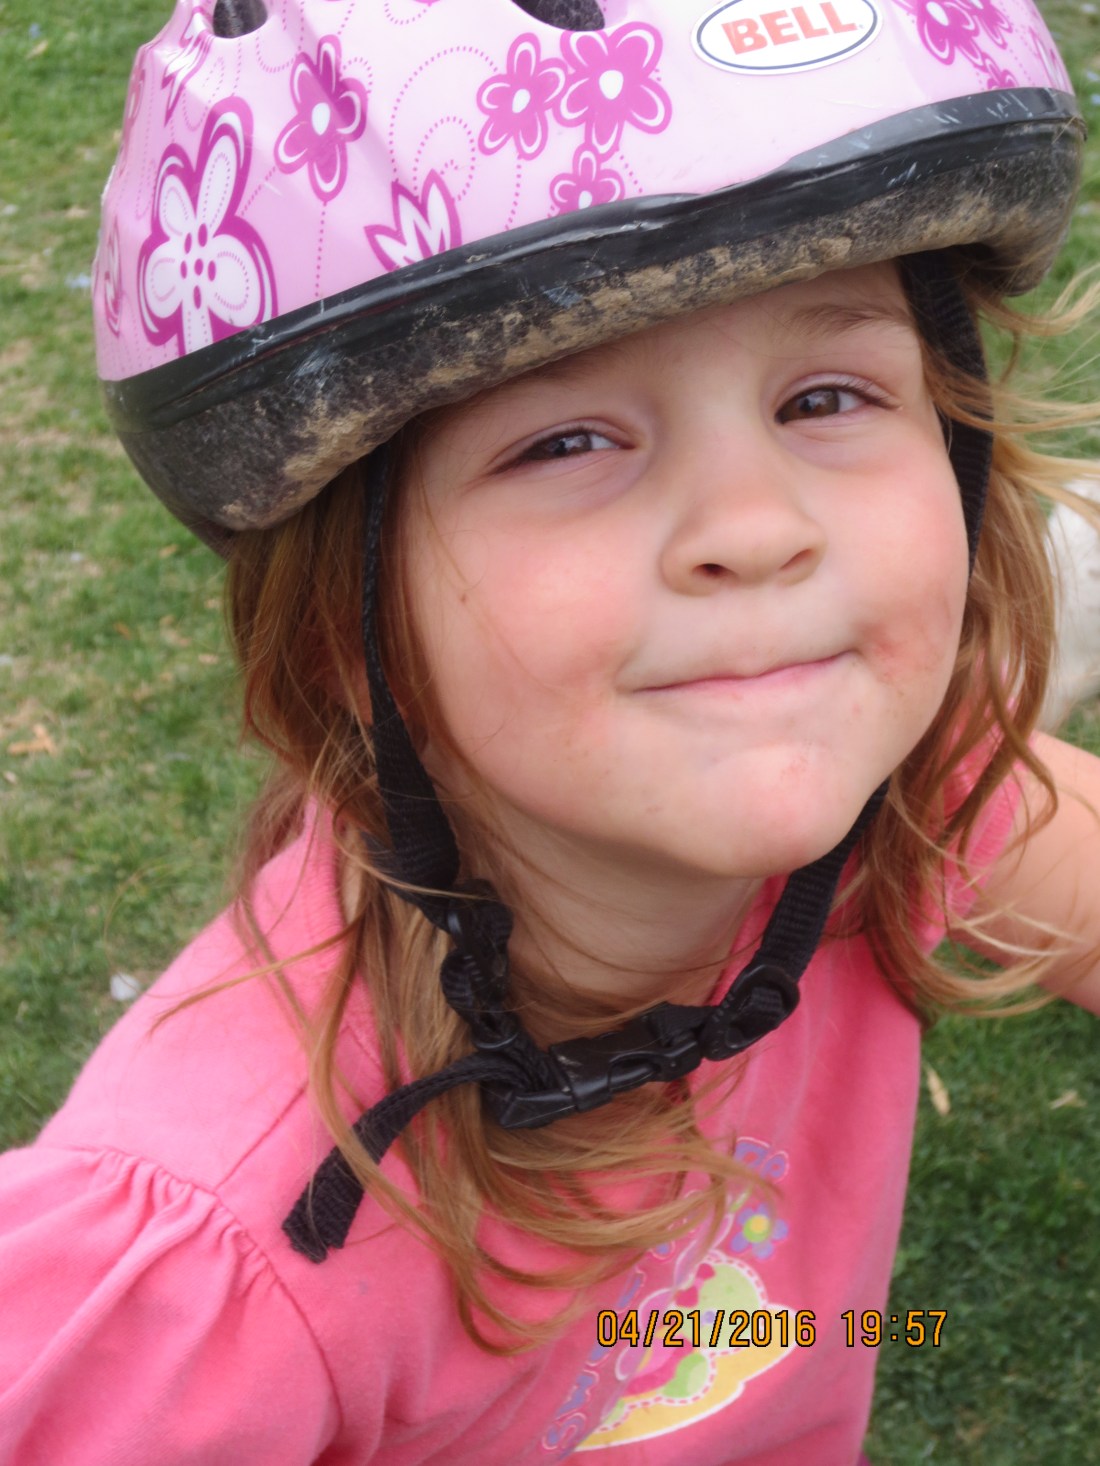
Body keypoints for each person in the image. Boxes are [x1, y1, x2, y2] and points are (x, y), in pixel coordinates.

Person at [2, 0, 1099, 1461]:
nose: (755, 527)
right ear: (343, 625)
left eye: (826, 395)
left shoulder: (910, 808)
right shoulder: (222, 1258)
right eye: (568, 439)